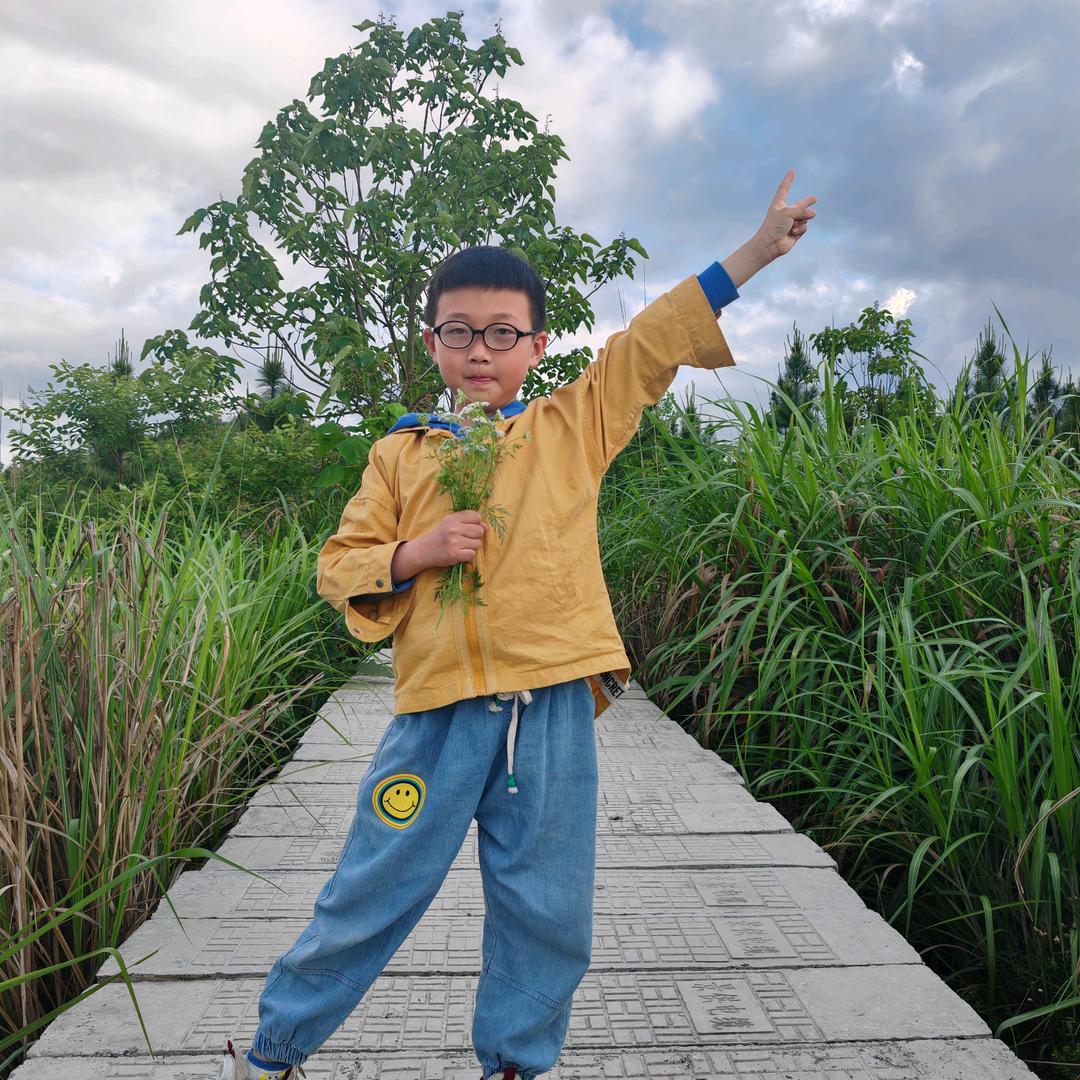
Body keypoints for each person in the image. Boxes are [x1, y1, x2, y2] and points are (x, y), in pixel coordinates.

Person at [218, 170, 817, 1080]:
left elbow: (651, 339)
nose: (480, 351)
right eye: (459, 332)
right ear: (433, 342)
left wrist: (753, 254)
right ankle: (272, 1052)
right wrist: (415, 553)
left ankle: (513, 1064)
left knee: (548, 906)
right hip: (436, 715)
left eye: (503, 333)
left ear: (536, 344)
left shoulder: (573, 424)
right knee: (374, 888)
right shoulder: (399, 452)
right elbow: (338, 564)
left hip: (551, 711)